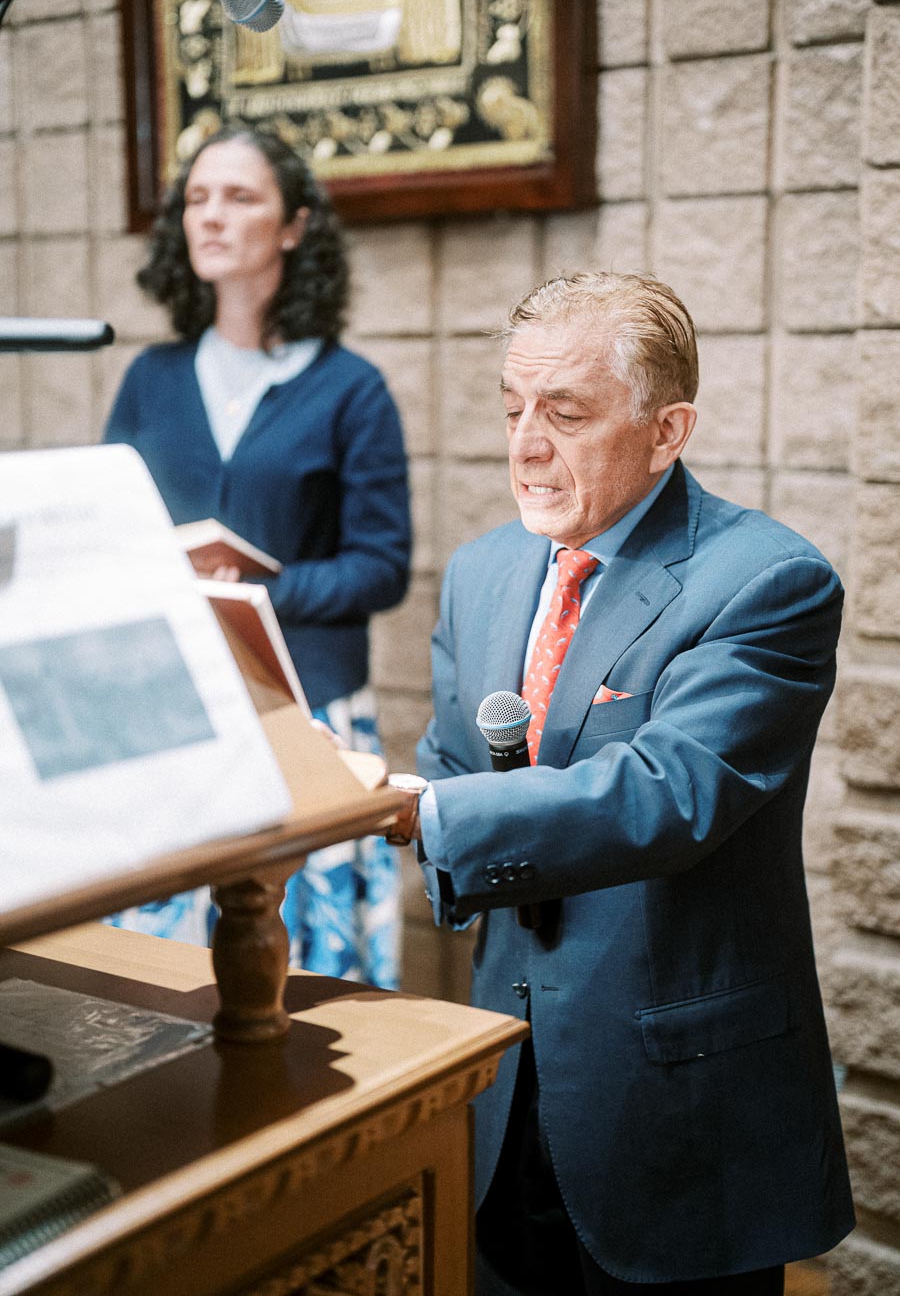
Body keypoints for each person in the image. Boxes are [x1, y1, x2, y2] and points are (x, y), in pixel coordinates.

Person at [387, 272, 854, 1294]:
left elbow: (668, 792)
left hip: (678, 1099)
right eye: (512, 408)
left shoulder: (767, 581)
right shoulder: (481, 572)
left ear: (667, 428)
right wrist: (419, 802)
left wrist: (426, 814)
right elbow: (452, 762)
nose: (524, 446)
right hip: (508, 1084)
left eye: (565, 413)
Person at [103, 126, 411, 989]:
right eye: (197, 198)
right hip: (175, 708)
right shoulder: (150, 379)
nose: (211, 216)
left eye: (239, 198)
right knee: (164, 974)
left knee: (303, 981)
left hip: (302, 709)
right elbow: (114, 531)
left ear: (292, 227)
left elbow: (382, 566)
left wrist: (256, 585)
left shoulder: (351, 388)